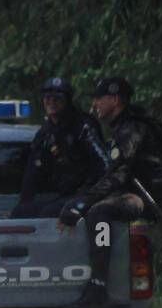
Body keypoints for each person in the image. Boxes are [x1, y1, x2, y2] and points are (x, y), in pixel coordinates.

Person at [60, 76, 162, 308]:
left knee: (98, 214)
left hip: (148, 197)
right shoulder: (125, 126)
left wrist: (82, 206)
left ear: (115, 100)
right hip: (137, 192)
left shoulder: (132, 129)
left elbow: (117, 175)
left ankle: (98, 287)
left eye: (99, 98)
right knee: (95, 207)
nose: (95, 103)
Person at [12, 77, 109, 220]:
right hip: (62, 194)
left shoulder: (83, 126)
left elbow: (103, 165)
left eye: (57, 98)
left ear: (67, 101)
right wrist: (23, 202)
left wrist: (87, 195)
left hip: (85, 194)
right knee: (22, 212)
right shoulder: (45, 132)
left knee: (49, 213)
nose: (51, 102)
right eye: (48, 98)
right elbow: (31, 172)